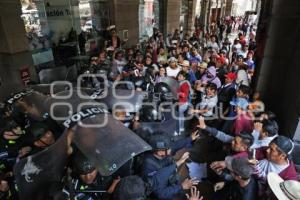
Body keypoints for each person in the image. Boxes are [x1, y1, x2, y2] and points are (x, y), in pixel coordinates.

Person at [141, 133, 199, 200]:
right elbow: (160, 194)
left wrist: (190, 138)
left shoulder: (162, 150)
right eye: (168, 148)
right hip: (164, 191)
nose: (171, 149)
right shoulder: (148, 166)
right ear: (160, 152)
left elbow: (176, 145)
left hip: (170, 181)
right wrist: (181, 186)